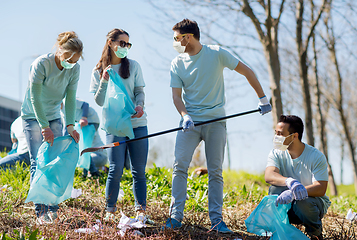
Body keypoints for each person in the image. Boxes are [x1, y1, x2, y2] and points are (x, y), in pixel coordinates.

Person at [165, 19, 272, 233]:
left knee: (215, 171)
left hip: (215, 121)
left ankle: (216, 221)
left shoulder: (216, 53)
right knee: (180, 166)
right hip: (190, 123)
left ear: (188, 37)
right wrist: (185, 115)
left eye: (177, 38)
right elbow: (176, 96)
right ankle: (175, 217)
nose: (175, 42)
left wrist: (262, 99)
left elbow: (247, 71)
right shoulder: (177, 63)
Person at [21, 31, 83, 224]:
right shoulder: (41, 64)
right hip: (33, 116)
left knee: (56, 161)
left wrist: (71, 125)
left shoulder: (74, 69)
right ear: (59, 50)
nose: (70, 63)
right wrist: (43, 126)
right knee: (38, 161)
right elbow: (35, 97)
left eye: (75, 60)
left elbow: (70, 98)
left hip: (55, 116)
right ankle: (40, 212)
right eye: (67, 58)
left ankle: (52, 209)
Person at [90, 28, 148, 222]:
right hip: (114, 127)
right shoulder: (98, 70)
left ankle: (141, 210)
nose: (125, 47)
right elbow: (98, 101)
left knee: (138, 170)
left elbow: (139, 91)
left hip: (137, 123)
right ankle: (110, 210)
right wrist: (104, 81)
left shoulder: (134, 66)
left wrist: (139, 105)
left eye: (128, 44)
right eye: (122, 43)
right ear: (110, 43)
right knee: (115, 168)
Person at [265, 115, 331, 240]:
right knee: (274, 190)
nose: (276, 137)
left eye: (280, 134)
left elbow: (321, 188)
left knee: (303, 202)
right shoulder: (276, 152)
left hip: (311, 206)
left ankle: (316, 234)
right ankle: (280, 232)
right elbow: (269, 175)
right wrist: (289, 181)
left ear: (294, 136)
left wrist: (295, 193)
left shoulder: (316, 156)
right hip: (286, 205)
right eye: (276, 133)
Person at [61, 98, 108, 177]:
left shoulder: (67, 100)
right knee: (81, 148)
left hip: (90, 120)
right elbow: (67, 128)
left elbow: (85, 104)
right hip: (82, 124)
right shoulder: (62, 112)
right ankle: (92, 171)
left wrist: (84, 117)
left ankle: (92, 173)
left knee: (84, 148)